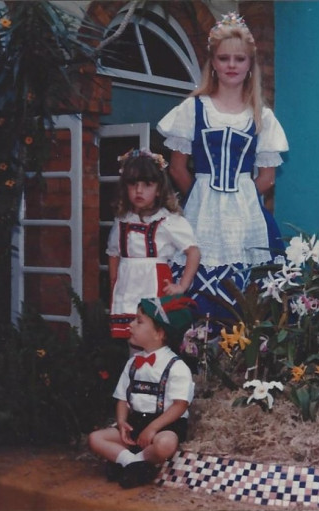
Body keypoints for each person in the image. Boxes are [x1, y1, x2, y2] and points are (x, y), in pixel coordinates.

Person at [157, 12, 288, 329]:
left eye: (239, 59)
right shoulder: (193, 108)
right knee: (195, 285)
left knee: (253, 296)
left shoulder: (262, 116)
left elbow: (267, 178)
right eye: (224, 58)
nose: (232, 65)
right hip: (202, 210)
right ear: (212, 63)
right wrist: (206, 195)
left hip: (246, 216)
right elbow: (177, 169)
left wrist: (237, 197)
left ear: (249, 65)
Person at [89, 294, 197, 488]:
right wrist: (122, 422)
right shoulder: (132, 363)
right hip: (136, 423)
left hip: (164, 425)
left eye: (139, 322)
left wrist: (153, 428)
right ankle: (133, 464)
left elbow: (180, 405)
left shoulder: (177, 366)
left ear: (159, 334)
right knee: (95, 438)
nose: (131, 325)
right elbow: (122, 398)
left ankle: (130, 461)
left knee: (165, 444)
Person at [107, 149, 200, 346]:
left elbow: (193, 252)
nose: (139, 191)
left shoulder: (167, 220)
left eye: (147, 185)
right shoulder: (122, 220)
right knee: (132, 336)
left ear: (159, 189)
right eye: (133, 184)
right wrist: (115, 281)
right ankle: (136, 373)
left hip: (153, 284)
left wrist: (182, 286)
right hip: (128, 287)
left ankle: (157, 374)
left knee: (153, 337)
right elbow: (114, 253)